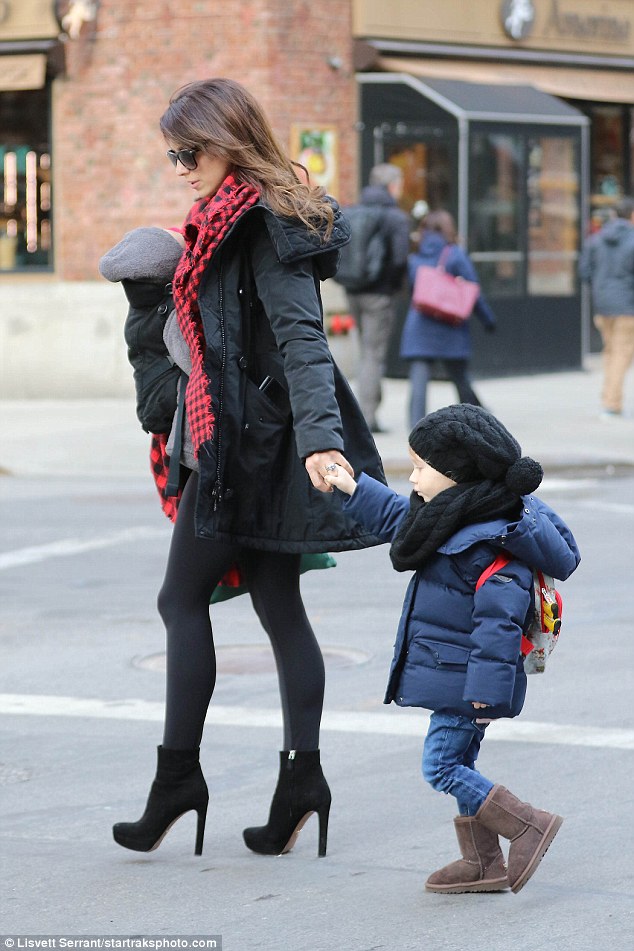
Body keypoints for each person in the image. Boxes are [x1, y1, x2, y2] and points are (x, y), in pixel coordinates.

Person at [106, 77, 385, 859]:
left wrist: (322, 441)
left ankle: (178, 782)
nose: (180, 165)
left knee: (179, 598)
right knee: (278, 606)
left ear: (230, 139)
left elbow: (305, 340)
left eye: (189, 150)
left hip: (247, 453)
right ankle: (300, 781)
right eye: (173, 153)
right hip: (235, 444)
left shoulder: (267, 224)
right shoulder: (218, 221)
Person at [324, 404, 580, 894]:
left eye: (421, 468)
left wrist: (484, 694)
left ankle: (527, 824)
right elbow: (402, 519)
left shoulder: (487, 538)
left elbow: (498, 625)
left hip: (467, 682)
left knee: (441, 766)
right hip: (456, 674)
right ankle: (483, 862)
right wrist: (352, 486)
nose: (413, 477)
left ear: (456, 475)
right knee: (461, 763)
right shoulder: (452, 516)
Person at [401, 210, 496, 428]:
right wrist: (487, 319)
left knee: (419, 381)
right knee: (460, 377)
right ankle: (480, 420)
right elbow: (473, 292)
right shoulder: (454, 254)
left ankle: (416, 428)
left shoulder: (415, 259)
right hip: (450, 326)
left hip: (420, 325)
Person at [344, 163, 411, 433]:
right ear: (393, 186)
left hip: (353, 290)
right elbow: (399, 258)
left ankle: (366, 410)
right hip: (380, 294)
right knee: (373, 354)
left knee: (366, 351)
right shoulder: (395, 217)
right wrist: (394, 286)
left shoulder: (353, 211)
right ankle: (366, 417)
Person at [579, 196, 634, 419]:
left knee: (611, 352)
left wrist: (600, 288)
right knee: (621, 354)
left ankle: (609, 399)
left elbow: (584, 272)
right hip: (626, 306)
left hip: (603, 306)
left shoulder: (596, 240)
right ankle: (611, 403)